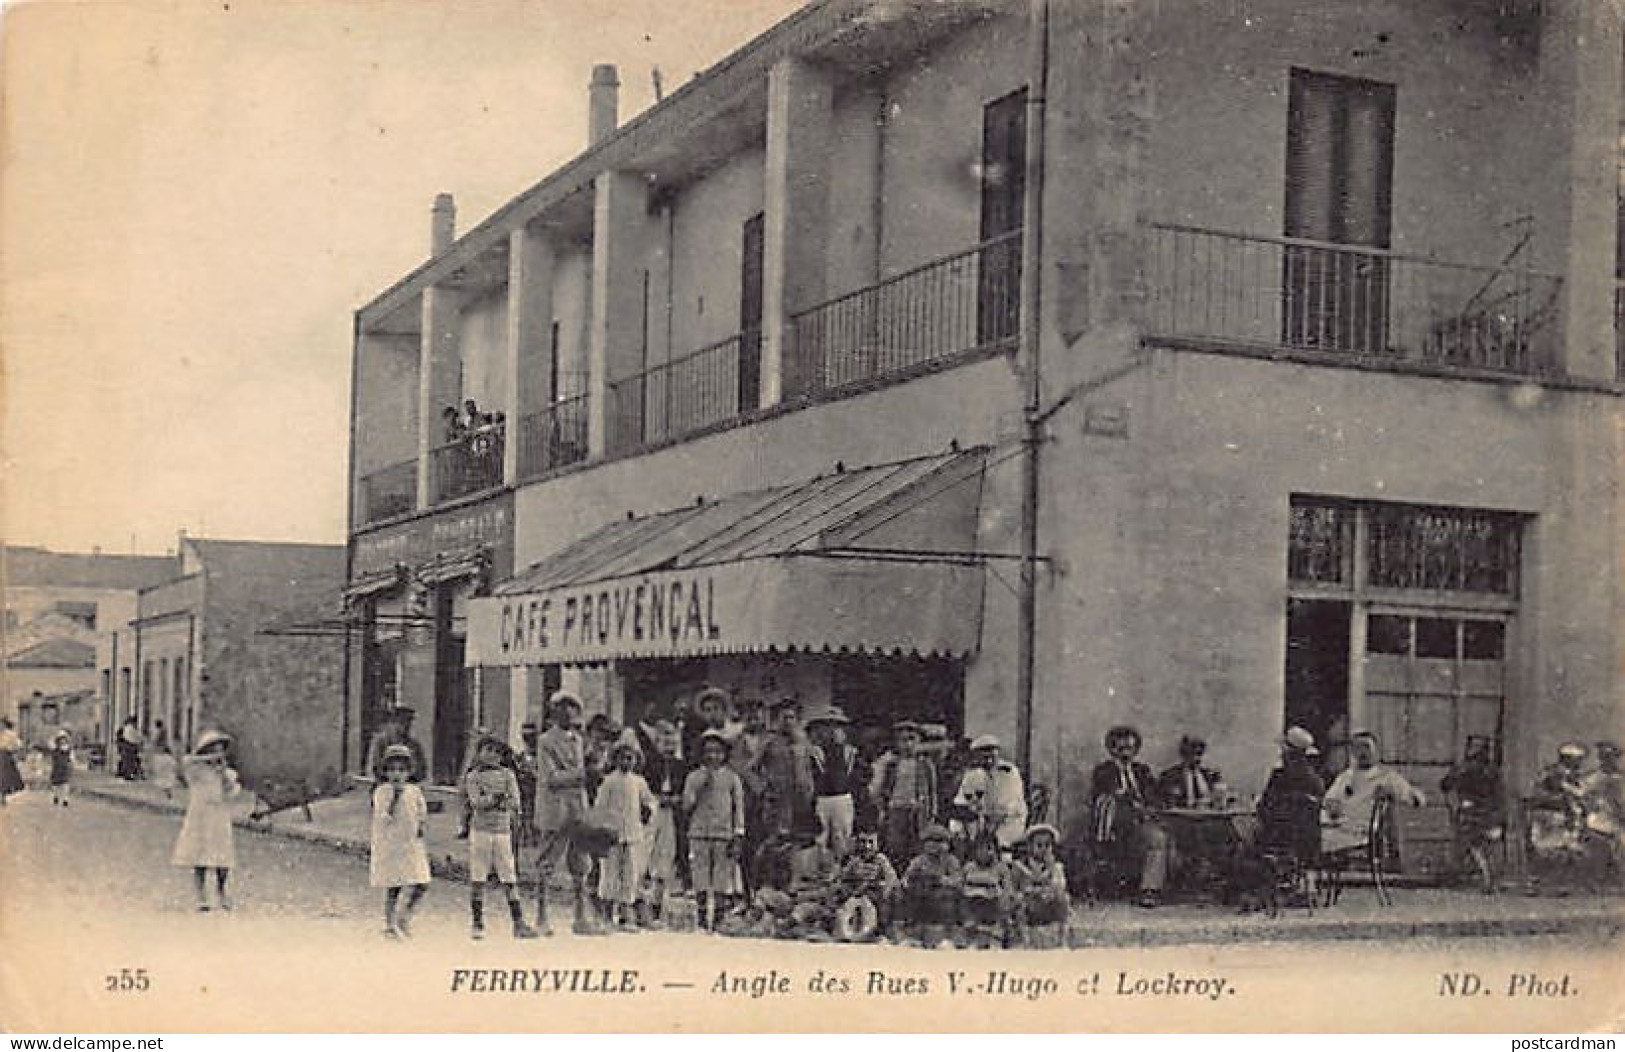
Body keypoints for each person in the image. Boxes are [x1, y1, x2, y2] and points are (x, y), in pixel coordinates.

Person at [463, 735, 539, 941]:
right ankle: (477, 923)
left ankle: (518, 921)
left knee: (509, 876)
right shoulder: (473, 776)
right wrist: (495, 799)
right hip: (480, 831)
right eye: (487, 750)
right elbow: (476, 802)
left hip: (502, 831)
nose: (492, 756)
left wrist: (499, 801)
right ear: (479, 753)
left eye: (496, 752)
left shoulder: (508, 775)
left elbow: (514, 801)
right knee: (478, 877)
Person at [1087, 725, 1168, 906]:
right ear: (1112, 749)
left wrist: (1151, 807)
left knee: (1158, 838)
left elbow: (1154, 796)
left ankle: (1149, 890)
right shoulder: (1104, 771)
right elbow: (1103, 798)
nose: (1126, 754)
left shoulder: (1142, 771)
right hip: (1115, 825)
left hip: (1142, 823)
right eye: (1121, 749)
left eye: (1130, 749)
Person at [533, 691, 593, 935]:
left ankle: (580, 917)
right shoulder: (545, 741)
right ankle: (541, 917)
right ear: (554, 711)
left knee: (580, 865)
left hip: (577, 809)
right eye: (562, 707)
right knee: (547, 863)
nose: (567, 712)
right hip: (555, 809)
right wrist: (582, 774)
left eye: (572, 707)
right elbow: (550, 778)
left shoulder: (579, 741)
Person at [1322, 731, 1425, 856]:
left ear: (1375, 750)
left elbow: (1416, 799)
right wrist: (1332, 805)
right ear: (1352, 752)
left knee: (1320, 840)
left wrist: (1392, 793)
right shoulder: (1345, 776)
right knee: (1315, 835)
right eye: (1357, 748)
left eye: (1366, 747)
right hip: (1340, 826)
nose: (1362, 752)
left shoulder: (1386, 777)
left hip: (1363, 831)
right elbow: (1330, 799)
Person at [683, 730, 746, 930]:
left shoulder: (732, 778)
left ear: (725, 754)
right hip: (699, 832)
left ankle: (718, 919)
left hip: (723, 833)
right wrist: (699, 788)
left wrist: (738, 833)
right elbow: (686, 806)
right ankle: (702, 917)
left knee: (721, 875)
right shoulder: (693, 777)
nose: (713, 756)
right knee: (700, 874)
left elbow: (738, 807)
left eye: (718, 752)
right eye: (708, 752)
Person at [172, 730, 241, 911]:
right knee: (200, 855)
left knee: (222, 857)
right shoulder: (195, 770)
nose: (218, 754)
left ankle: (221, 892)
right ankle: (201, 896)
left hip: (219, 815)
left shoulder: (228, 773)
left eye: (220, 750)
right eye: (213, 750)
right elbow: (186, 762)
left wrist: (222, 771)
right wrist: (205, 760)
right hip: (200, 815)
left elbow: (232, 792)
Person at [592, 737, 657, 931]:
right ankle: (605, 914)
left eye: (631, 758)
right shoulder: (609, 781)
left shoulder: (639, 782)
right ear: (615, 759)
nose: (626, 762)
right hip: (611, 834)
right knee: (610, 873)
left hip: (632, 833)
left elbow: (650, 801)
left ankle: (625, 914)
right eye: (622, 758)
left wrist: (648, 810)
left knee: (630, 873)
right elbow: (600, 807)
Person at [370, 744, 431, 938]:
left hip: (411, 843)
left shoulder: (414, 791)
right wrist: (395, 796)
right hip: (392, 845)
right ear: (385, 772)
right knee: (394, 885)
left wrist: (421, 826)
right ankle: (390, 924)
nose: (397, 775)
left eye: (401, 770)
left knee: (421, 883)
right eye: (392, 770)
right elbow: (384, 816)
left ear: (409, 772)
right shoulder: (382, 792)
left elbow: (421, 812)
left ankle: (404, 916)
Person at [868, 719, 939, 867]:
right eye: (903, 740)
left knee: (917, 845)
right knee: (895, 846)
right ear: (897, 743)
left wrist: (931, 813)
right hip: (896, 809)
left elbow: (932, 791)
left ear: (919, 742)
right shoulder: (891, 764)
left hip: (917, 810)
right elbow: (883, 789)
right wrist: (882, 810)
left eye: (912, 739)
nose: (908, 745)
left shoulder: (925, 764)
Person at [641, 719, 690, 922]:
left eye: (672, 742)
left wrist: (676, 799)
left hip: (671, 813)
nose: (669, 747)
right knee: (646, 850)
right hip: (653, 810)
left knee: (666, 852)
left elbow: (685, 791)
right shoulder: (649, 764)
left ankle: (657, 903)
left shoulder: (681, 766)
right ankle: (639, 901)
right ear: (657, 742)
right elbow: (644, 789)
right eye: (664, 742)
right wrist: (655, 799)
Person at [1440, 735, 1504, 885]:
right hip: (1487, 814)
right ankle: (1477, 871)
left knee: (1470, 841)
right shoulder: (1493, 771)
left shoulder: (1466, 768)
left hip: (1473, 814)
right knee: (1476, 843)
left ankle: (1481, 874)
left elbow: (1445, 784)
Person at [951, 734, 1028, 851]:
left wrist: (990, 818)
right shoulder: (973, 774)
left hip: (1009, 820)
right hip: (982, 820)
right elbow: (962, 799)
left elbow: (1011, 804)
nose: (989, 760)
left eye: (992, 755)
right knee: (957, 827)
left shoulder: (1009, 772)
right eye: (984, 756)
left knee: (998, 841)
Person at [754, 697, 816, 841]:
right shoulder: (769, 742)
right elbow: (750, 769)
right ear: (778, 720)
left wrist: (810, 789)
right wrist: (762, 788)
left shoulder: (804, 743)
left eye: (791, 717)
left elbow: (810, 768)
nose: (788, 721)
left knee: (798, 839)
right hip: (777, 799)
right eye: (784, 717)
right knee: (776, 840)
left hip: (800, 800)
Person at [807, 705, 860, 860]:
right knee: (820, 840)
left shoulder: (850, 752)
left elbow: (857, 781)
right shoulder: (814, 752)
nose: (832, 730)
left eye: (837, 726)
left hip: (843, 799)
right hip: (822, 800)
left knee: (843, 840)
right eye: (828, 725)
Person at [830, 828, 899, 942]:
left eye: (871, 842)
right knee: (845, 909)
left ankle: (876, 932)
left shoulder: (881, 860)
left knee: (871, 909)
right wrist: (846, 888)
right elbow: (842, 879)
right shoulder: (855, 861)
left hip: (874, 897)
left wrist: (880, 887)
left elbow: (892, 880)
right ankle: (845, 933)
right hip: (855, 896)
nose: (867, 846)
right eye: (863, 842)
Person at [897, 824, 961, 946]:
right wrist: (909, 883)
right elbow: (906, 877)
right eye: (929, 841)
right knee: (905, 896)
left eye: (938, 841)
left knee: (949, 897)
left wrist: (940, 880)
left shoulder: (950, 860)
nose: (933, 845)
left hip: (941, 893)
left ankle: (947, 936)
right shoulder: (919, 860)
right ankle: (911, 933)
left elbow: (957, 880)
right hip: (921, 894)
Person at [1012, 823, 1069, 942]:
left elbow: (1060, 887)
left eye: (1047, 845)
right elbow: (1013, 888)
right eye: (1039, 845)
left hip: (1047, 905)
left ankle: (1062, 938)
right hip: (1028, 905)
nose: (1043, 849)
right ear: (1030, 847)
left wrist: (1051, 868)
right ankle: (1024, 938)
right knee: (1018, 904)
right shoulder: (1020, 866)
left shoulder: (1056, 867)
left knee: (1063, 899)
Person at [959, 833, 1016, 948]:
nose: (984, 852)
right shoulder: (969, 867)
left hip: (993, 905)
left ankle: (998, 933)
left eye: (988, 848)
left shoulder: (1001, 868)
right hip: (972, 905)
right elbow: (960, 885)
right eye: (980, 848)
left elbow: (1008, 889)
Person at [1156, 735, 1226, 809]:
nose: (1196, 758)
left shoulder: (1210, 775)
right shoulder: (1170, 776)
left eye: (1199, 754)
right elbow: (1164, 802)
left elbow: (1219, 798)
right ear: (1183, 754)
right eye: (1191, 753)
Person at [366, 708, 426, 783]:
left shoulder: (414, 744)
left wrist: (407, 780)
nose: (406, 726)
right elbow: (376, 767)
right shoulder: (381, 741)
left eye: (409, 722)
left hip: (409, 787)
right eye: (402, 722)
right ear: (394, 722)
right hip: (384, 786)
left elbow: (422, 770)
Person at [0, 717, 24, 804]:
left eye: (1, 724)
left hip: (5, 756)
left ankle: (3, 796)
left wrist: (12, 749)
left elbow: (19, 744)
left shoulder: (10, 734)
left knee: (5, 777)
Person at [47, 730, 73, 807]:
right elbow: (49, 743)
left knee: (65, 784)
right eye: (60, 739)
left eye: (64, 739)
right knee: (55, 784)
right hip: (56, 768)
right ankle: (56, 796)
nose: (62, 741)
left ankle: (65, 799)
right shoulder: (55, 748)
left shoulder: (68, 748)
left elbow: (71, 757)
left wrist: (71, 763)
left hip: (64, 768)